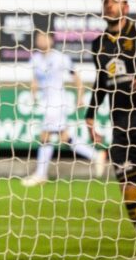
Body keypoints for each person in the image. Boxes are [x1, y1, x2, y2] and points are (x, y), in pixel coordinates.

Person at [86, 0, 136, 254]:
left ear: (125, 7)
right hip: (122, 125)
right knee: (127, 185)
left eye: (114, 1)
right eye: (105, 1)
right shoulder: (98, 43)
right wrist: (90, 115)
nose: (109, 5)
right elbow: (101, 83)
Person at [22, 30, 104, 187]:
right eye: (38, 37)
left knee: (45, 136)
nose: (40, 40)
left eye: (44, 37)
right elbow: (34, 80)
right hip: (46, 103)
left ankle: (41, 175)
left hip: (58, 102)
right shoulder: (35, 59)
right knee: (65, 137)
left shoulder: (60, 58)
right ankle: (96, 155)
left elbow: (76, 76)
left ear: (51, 40)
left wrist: (80, 96)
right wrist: (33, 94)